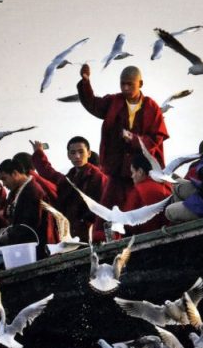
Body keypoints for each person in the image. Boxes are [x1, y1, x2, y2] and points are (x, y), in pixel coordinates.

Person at [76, 64, 169, 210]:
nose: (125, 88)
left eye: (130, 84)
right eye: (122, 84)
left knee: (141, 209)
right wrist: (85, 82)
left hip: (142, 172)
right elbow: (93, 104)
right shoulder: (114, 102)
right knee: (108, 209)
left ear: (140, 84)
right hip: (116, 170)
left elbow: (156, 139)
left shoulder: (152, 107)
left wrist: (134, 140)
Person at [31, 136, 108, 239]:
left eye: (81, 152)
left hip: (91, 233)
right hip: (71, 233)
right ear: (68, 155)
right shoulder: (70, 177)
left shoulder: (98, 177)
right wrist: (39, 153)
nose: (77, 156)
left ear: (88, 153)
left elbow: (104, 206)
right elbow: (50, 174)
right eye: (73, 153)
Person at [0, 158, 54, 251]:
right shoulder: (16, 192)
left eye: (4, 179)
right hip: (26, 246)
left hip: (36, 248)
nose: (4, 184)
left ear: (15, 173)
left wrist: (9, 234)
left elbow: (30, 224)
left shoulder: (33, 192)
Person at [121, 152, 172, 235]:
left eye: (133, 172)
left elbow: (128, 223)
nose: (132, 176)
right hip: (171, 233)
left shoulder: (137, 191)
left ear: (140, 171)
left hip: (148, 239)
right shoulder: (168, 185)